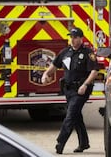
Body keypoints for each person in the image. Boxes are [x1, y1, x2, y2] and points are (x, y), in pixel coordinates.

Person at [41, 27, 99, 155]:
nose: (72, 40)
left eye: (75, 37)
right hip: (68, 90)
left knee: (71, 114)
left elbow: (94, 71)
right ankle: (84, 143)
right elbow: (55, 65)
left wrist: (85, 85)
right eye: (71, 37)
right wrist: (45, 74)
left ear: (81, 38)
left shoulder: (88, 53)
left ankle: (60, 142)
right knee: (76, 116)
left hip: (81, 90)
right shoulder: (65, 52)